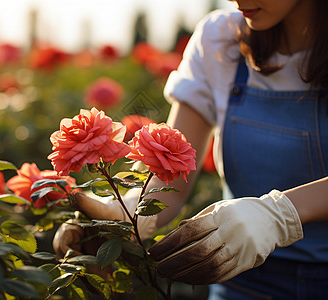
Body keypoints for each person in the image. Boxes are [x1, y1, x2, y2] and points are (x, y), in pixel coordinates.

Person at [53, 0, 328, 298]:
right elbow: (172, 173)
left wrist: (280, 215)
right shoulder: (220, 39)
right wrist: (124, 213)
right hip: (238, 279)